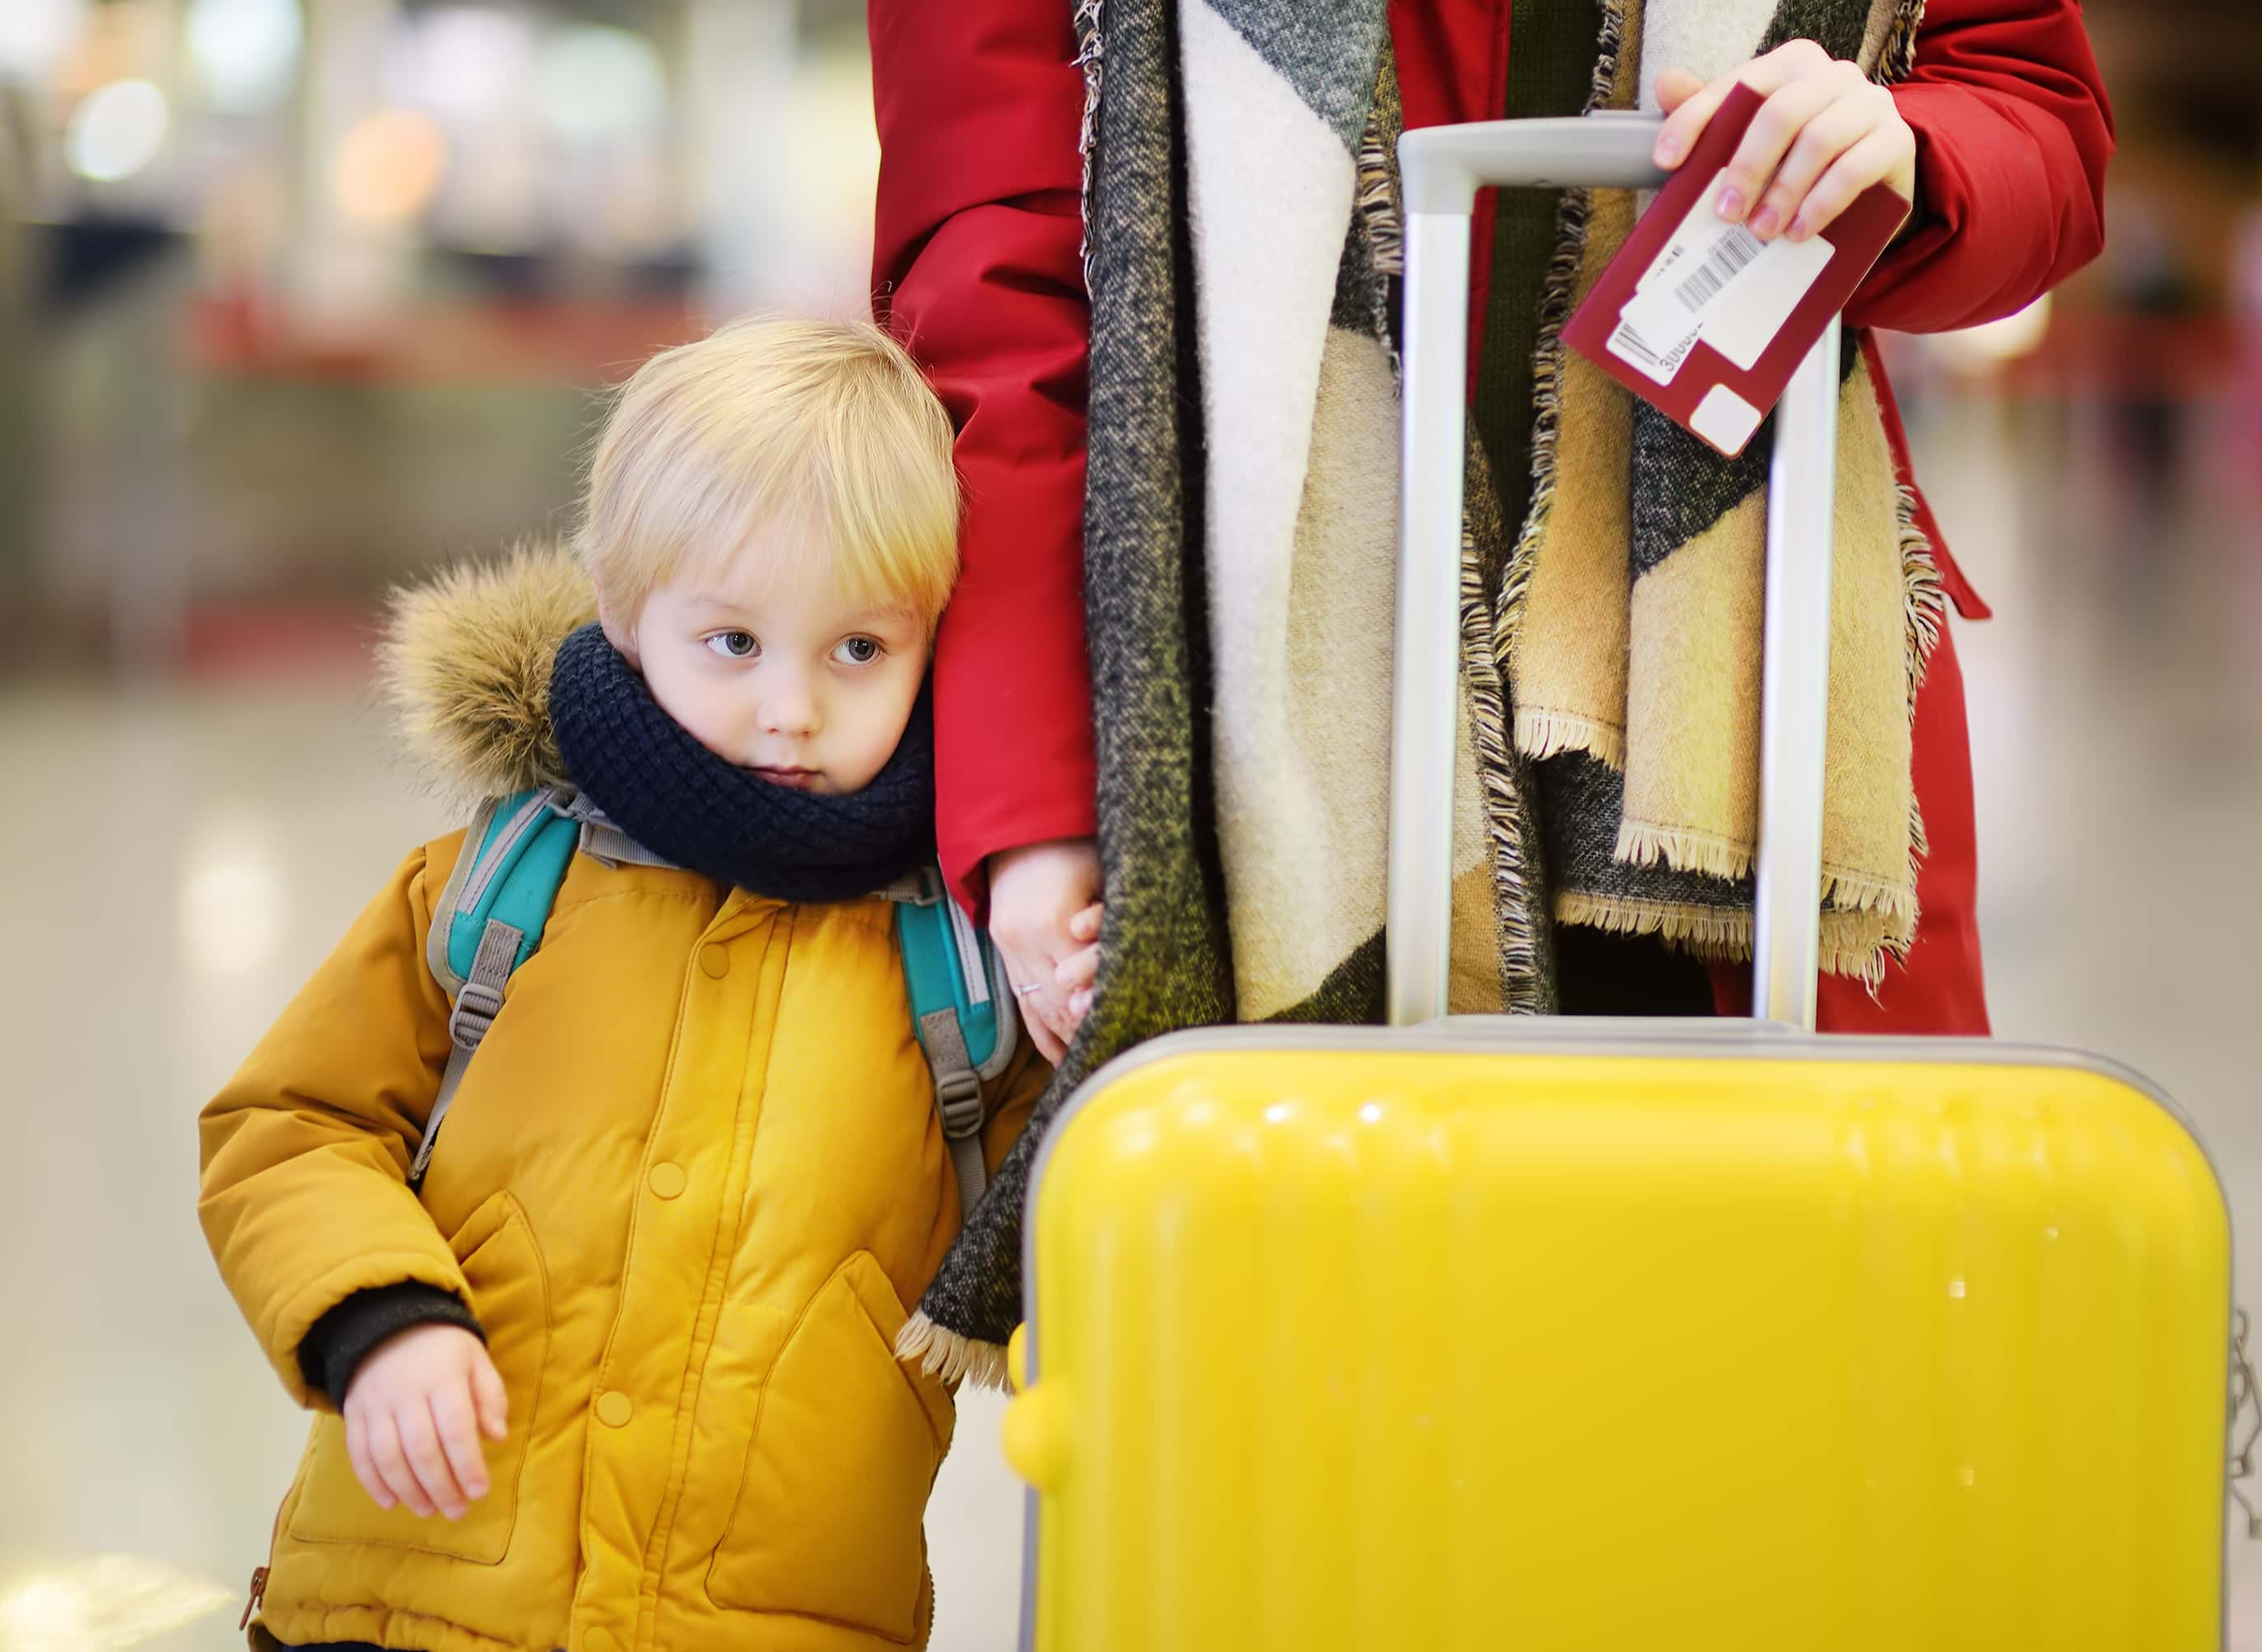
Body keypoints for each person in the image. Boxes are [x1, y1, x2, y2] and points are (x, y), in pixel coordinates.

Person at [870, 0, 2113, 1041]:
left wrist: (1900, 141)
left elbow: (2032, 115)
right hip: (1230, 710)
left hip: (1739, 706)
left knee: (1790, 1289)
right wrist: (1036, 798)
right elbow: (1000, 281)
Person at [198, 315, 1046, 1652]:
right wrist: (377, 1314)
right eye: (733, 642)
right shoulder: (496, 886)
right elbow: (291, 1125)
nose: (791, 709)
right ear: (623, 609)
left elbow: (1081, 1232)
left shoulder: (961, 962)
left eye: (859, 651)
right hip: (409, 1605)